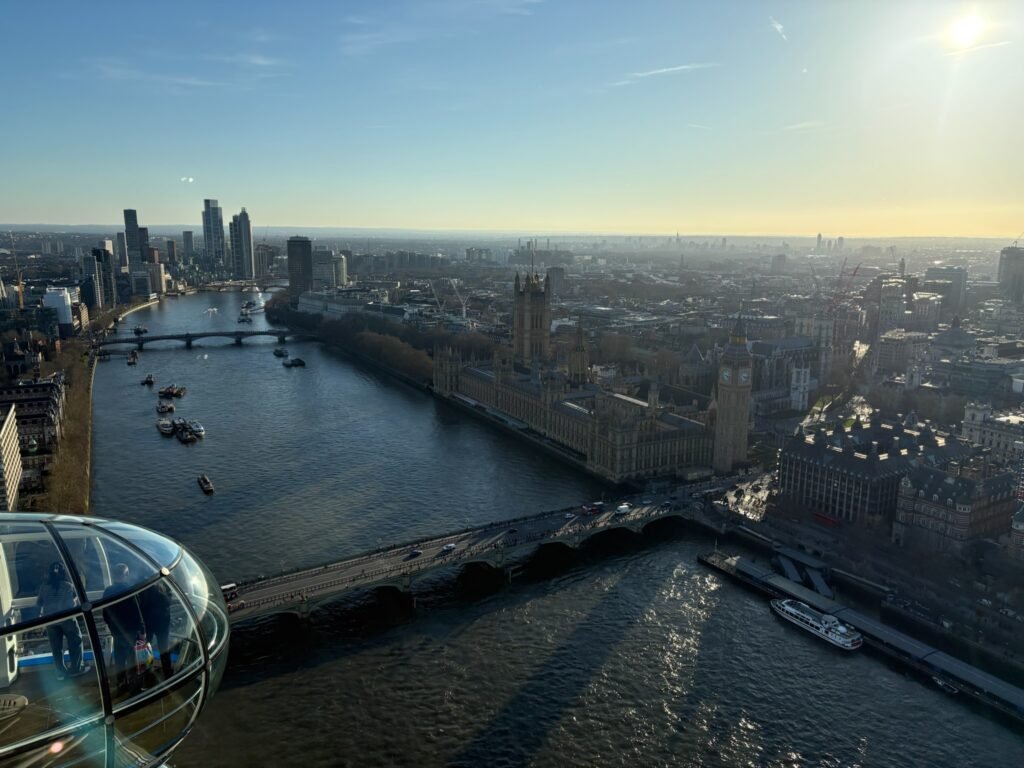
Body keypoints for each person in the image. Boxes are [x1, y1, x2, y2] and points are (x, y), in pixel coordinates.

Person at [36, 561, 89, 680]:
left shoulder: (44, 587)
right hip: (66, 619)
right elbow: (71, 603)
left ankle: (61, 672)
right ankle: (76, 668)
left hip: (50, 620)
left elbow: (39, 603)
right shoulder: (68, 586)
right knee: (75, 642)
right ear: (64, 572)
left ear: (50, 573)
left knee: (56, 648)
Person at [102, 563, 145, 692]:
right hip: (131, 631)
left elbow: (105, 613)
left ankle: (121, 685)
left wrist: (111, 626)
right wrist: (142, 630)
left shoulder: (108, 591)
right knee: (132, 659)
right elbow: (137, 612)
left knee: (119, 660)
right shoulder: (130, 589)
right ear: (126, 574)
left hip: (116, 631)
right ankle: (134, 687)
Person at [138, 581, 174, 679]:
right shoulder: (163, 585)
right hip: (161, 624)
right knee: (164, 648)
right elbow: (168, 601)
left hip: (149, 624)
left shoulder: (143, 586)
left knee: (147, 648)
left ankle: (148, 672)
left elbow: (141, 605)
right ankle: (167, 673)